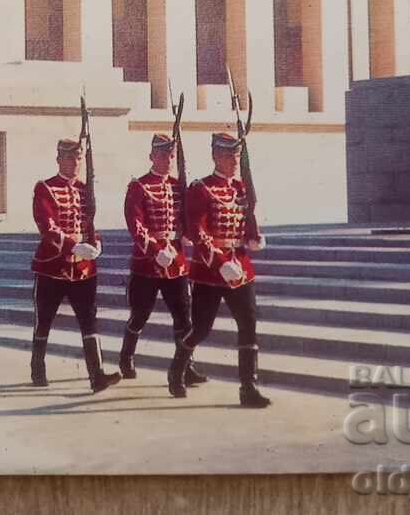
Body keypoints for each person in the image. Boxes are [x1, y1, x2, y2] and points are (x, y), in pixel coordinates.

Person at [168, 132, 271, 408]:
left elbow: (247, 221)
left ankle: (248, 386)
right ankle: (177, 367)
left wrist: (254, 237)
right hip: (210, 270)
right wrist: (219, 262)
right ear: (214, 155)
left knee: (248, 324)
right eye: (227, 155)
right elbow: (197, 231)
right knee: (201, 329)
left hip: (240, 267)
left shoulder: (241, 187)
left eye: (236, 155)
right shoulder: (201, 188)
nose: (233, 161)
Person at [29, 137, 122, 393]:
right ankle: (37, 366)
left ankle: (97, 375)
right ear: (59, 159)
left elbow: (89, 224)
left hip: (83, 268)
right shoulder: (45, 188)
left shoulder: (85, 190)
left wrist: (96, 242)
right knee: (44, 320)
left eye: (78, 157)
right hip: (53, 267)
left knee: (89, 321)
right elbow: (47, 227)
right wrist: (73, 245)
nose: (74, 162)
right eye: (69, 157)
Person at [118, 133, 206, 387]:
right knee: (140, 315)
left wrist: (189, 234)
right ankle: (126, 356)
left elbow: (188, 219)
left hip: (176, 262)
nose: (167, 159)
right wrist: (155, 249)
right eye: (162, 155)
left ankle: (186, 366)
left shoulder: (180, 186)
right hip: (148, 263)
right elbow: (135, 223)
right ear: (151, 156)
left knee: (184, 317)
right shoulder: (139, 186)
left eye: (171, 155)